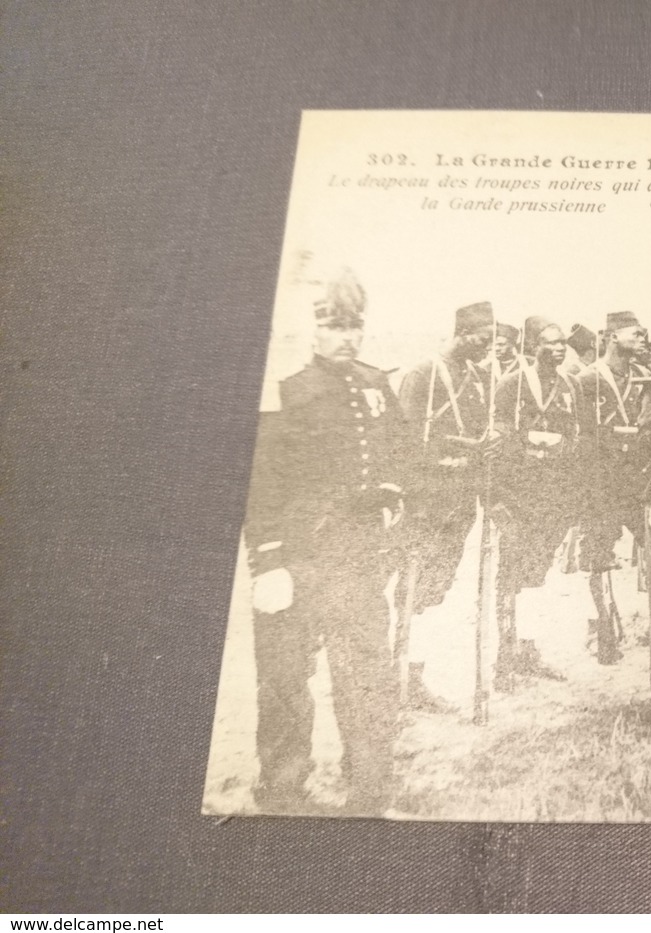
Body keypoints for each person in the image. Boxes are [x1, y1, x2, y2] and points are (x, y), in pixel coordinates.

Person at [242, 264, 406, 815]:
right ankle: (284, 788)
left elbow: (398, 455)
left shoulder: (374, 383)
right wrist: (267, 561)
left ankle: (368, 782)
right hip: (298, 558)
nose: (347, 337)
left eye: (354, 325)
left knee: (365, 673)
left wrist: (392, 493)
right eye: (335, 326)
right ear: (314, 330)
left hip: (357, 559)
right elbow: (261, 481)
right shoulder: (286, 389)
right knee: (286, 679)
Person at [394, 301, 499, 708]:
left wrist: (485, 444)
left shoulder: (475, 374)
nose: (488, 348)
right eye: (482, 339)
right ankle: (398, 677)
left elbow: (477, 428)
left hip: (459, 502)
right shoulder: (424, 373)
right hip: (425, 501)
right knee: (412, 588)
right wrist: (459, 448)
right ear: (462, 333)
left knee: (435, 590)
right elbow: (402, 442)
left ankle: (413, 676)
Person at [487, 316, 579, 687]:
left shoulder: (570, 385)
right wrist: (497, 501)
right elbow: (497, 441)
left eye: (562, 344)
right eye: (549, 343)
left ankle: (529, 651)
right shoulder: (511, 384)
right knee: (510, 575)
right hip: (517, 495)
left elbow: (578, 435)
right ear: (532, 347)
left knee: (538, 573)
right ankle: (504, 660)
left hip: (553, 495)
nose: (558, 349)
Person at [575, 310, 651, 662]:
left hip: (638, 479)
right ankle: (604, 628)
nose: (642, 338)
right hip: (602, 480)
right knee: (599, 555)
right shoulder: (587, 379)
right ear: (612, 336)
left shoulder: (646, 377)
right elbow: (581, 434)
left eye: (644, 332)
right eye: (635, 333)